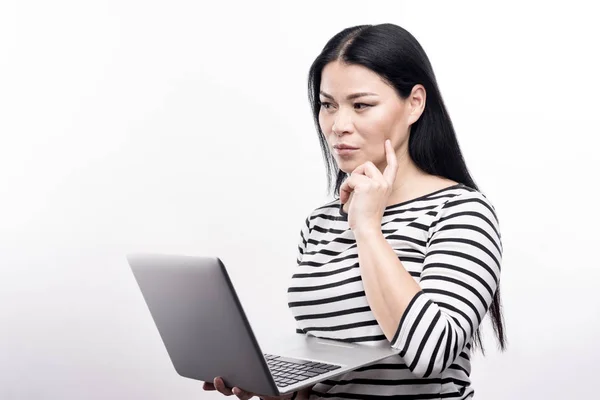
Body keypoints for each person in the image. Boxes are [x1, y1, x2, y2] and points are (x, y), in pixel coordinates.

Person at [204, 22, 506, 400]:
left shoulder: (461, 212)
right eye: (328, 105)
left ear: (414, 103)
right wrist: (278, 390)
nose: (338, 125)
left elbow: (431, 354)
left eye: (361, 105)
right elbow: (325, 370)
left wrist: (368, 227)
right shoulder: (321, 222)